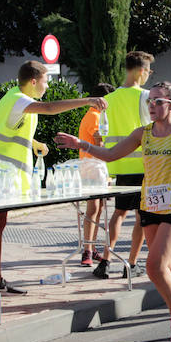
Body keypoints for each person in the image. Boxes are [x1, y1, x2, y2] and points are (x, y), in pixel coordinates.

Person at [56, 82, 171, 342]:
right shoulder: (142, 133)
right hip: (151, 206)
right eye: (150, 101)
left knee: (154, 266)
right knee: (170, 269)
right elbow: (110, 155)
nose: (152, 106)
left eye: (157, 101)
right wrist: (80, 143)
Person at [0, 60, 107, 296]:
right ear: (34, 81)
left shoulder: (16, 98)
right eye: (46, 81)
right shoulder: (19, 99)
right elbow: (49, 108)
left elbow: (10, 131)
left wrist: (36, 143)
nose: (47, 86)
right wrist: (87, 101)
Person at [92, 51, 153, 279]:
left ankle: (105, 261)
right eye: (148, 71)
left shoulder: (111, 98)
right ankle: (132, 263)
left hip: (118, 165)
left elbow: (103, 133)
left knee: (118, 214)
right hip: (144, 166)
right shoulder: (145, 96)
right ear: (141, 71)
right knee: (141, 217)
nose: (148, 76)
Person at [78, 82, 115, 266]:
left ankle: (91, 247)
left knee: (98, 209)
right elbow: (99, 142)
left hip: (94, 164)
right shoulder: (94, 116)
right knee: (93, 209)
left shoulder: (94, 115)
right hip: (92, 165)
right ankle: (87, 250)